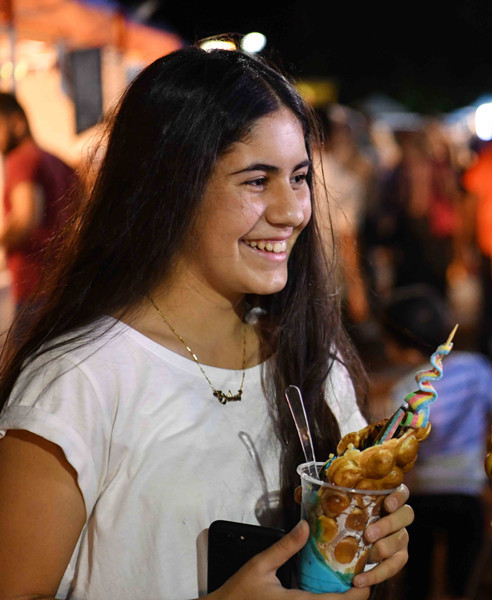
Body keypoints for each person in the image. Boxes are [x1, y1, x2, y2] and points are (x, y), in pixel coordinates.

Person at [0, 45, 412, 599]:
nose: (293, 211)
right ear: (169, 186)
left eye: (299, 177)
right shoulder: (81, 380)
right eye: (256, 180)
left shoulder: (313, 359)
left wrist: (374, 542)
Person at [378, 284, 492, 600]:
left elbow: (399, 447)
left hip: (420, 495)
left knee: (416, 578)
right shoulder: (476, 368)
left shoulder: (405, 390)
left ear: (404, 348)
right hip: (468, 491)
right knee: (464, 579)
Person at [0, 93, 76, 311]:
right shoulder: (57, 162)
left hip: (33, 287)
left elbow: (24, 220)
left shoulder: (21, 158)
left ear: (17, 122)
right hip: (64, 283)